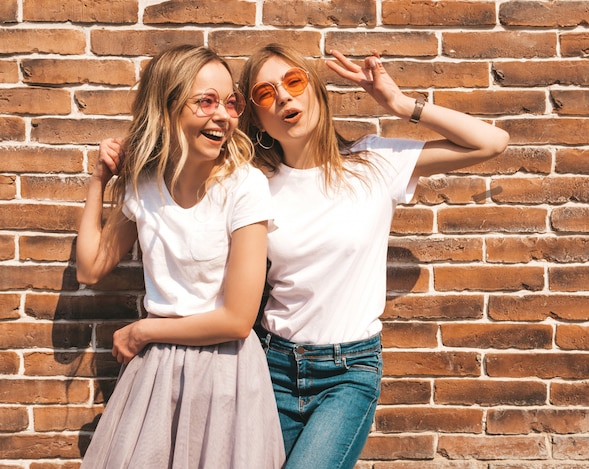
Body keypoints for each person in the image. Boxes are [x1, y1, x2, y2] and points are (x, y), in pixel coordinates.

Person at [235, 43, 510, 469]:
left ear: (317, 93)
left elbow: (491, 142)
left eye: (293, 81)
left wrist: (401, 104)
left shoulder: (373, 161)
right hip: (271, 365)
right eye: (265, 93)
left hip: (348, 373)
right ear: (258, 119)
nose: (284, 97)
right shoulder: (254, 184)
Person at [76, 45, 285, 468]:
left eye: (231, 103)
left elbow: (238, 319)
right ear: (168, 107)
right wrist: (100, 180)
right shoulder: (144, 186)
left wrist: (142, 333)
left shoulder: (244, 186)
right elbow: (91, 267)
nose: (223, 116)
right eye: (206, 101)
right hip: (155, 376)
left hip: (225, 369)